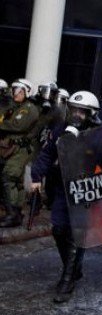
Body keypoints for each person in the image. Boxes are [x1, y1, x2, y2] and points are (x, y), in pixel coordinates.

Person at [30, 90, 102, 302]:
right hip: (63, 186)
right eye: (74, 110)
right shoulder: (61, 129)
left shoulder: (99, 133)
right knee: (59, 229)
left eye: (82, 111)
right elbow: (47, 153)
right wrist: (36, 176)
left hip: (85, 189)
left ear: (91, 114)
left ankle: (67, 279)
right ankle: (74, 268)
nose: (77, 114)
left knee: (76, 233)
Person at [0, 79, 39, 227]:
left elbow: (17, 125)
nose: (15, 93)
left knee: (9, 177)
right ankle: (16, 212)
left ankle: (12, 214)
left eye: (19, 91)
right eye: (14, 90)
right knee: (16, 181)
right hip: (12, 148)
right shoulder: (17, 107)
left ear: (27, 92)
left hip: (20, 150)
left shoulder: (29, 108)